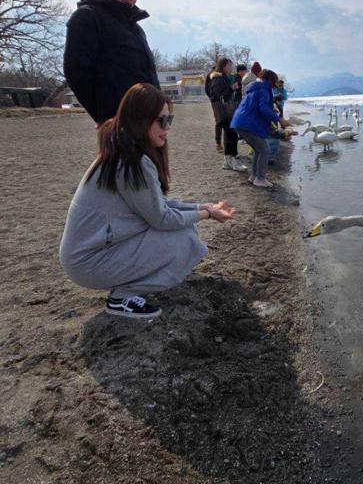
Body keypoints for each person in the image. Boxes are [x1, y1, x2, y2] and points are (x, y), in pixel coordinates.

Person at [59, 83, 236, 320]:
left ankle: (130, 285)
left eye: (169, 120)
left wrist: (201, 208)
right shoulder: (132, 161)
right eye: (161, 121)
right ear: (140, 121)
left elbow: (156, 206)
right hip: (89, 261)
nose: (167, 128)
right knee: (182, 240)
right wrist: (207, 214)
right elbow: (161, 218)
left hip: (93, 253)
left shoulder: (121, 149)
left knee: (184, 231)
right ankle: (121, 299)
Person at [64, 0, 160, 124]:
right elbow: (77, 73)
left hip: (151, 121)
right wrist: (107, 119)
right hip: (120, 123)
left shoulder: (136, 28)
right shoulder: (87, 16)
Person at [231, 69, 290, 187]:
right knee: (265, 150)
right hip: (247, 123)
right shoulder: (264, 89)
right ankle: (260, 178)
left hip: (240, 122)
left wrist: (271, 109)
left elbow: (257, 106)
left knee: (259, 149)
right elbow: (263, 108)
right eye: (275, 80)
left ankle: (254, 176)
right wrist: (279, 119)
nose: (276, 83)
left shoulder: (255, 88)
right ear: (271, 80)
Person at [209, 58, 247, 172]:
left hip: (227, 110)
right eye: (230, 65)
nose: (232, 67)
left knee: (229, 135)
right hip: (225, 110)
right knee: (233, 135)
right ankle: (233, 160)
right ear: (224, 66)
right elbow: (220, 96)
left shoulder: (221, 77)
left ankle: (227, 161)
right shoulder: (218, 78)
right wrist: (232, 88)